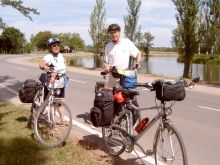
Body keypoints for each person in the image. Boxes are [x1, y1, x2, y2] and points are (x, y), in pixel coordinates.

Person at [39, 37, 68, 125]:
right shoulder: (49, 56)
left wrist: (65, 65)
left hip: (60, 83)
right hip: (51, 83)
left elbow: (64, 62)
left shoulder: (60, 55)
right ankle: (44, 117)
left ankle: (62, 119)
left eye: (58, 45)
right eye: (54, 45)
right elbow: (41, 63)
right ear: (50, 48)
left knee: (60, 102)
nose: (56, 47)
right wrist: (45, 67)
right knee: (49, 103)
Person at [104, 23, 142, 88]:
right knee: (109, 95)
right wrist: (106, 67)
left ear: (119, 33)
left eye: (115, 32)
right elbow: (106, 62)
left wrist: (138, 63)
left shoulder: (126, 43)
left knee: (124, 96)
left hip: (124, 75)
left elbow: (138, 53)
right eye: (111, 33)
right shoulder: (108, 46)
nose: (113, 34)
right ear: (109, 34)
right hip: (112, 75)